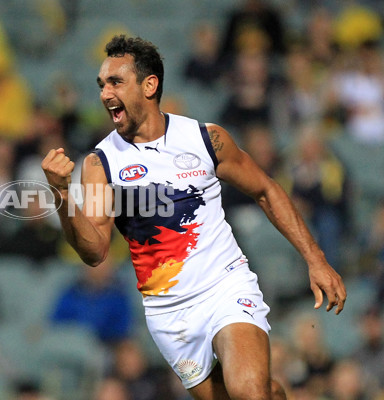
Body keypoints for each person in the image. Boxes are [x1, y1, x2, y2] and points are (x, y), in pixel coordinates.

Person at [41, 35, 346, 399]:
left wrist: (316, 259)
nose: (105, 93)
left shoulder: (204, 139)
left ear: (149, 85)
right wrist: (62, 195)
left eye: (116, 82)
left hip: (225, 286)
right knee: (255, 393)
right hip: (168, 313)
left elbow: (266, 189)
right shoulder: (100, 164)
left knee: (248, 393)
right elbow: (95, 253)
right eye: (102, 85)